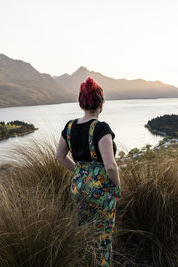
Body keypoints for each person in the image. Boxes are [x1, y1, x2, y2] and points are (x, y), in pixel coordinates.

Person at [55, 77, 121, 266]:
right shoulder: (101, 128)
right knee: (103, 238)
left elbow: (59, 156)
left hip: (78, 188)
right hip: (101, 192)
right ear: (100, 103)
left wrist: (79, 170)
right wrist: (117, 185)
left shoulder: (69, 127)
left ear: (82, 102)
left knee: (85, 233)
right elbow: (110, 166)